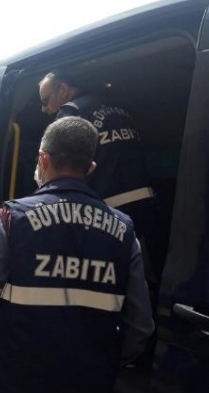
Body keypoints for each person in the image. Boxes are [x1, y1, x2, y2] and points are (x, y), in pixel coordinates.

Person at [0, 117, 154, 393]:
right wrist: (101, 360)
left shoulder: (13, 218)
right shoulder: (125, 232)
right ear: (91, 167)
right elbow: (140, 328)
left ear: (43, 159)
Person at [38, 71, 162, 277]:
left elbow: (51, 169)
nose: (44, 109)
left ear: (63, 90)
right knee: (143, 271)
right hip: (146, 202)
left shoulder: (71, 113)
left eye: (45, 100)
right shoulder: (120, 109)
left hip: (107, 210)